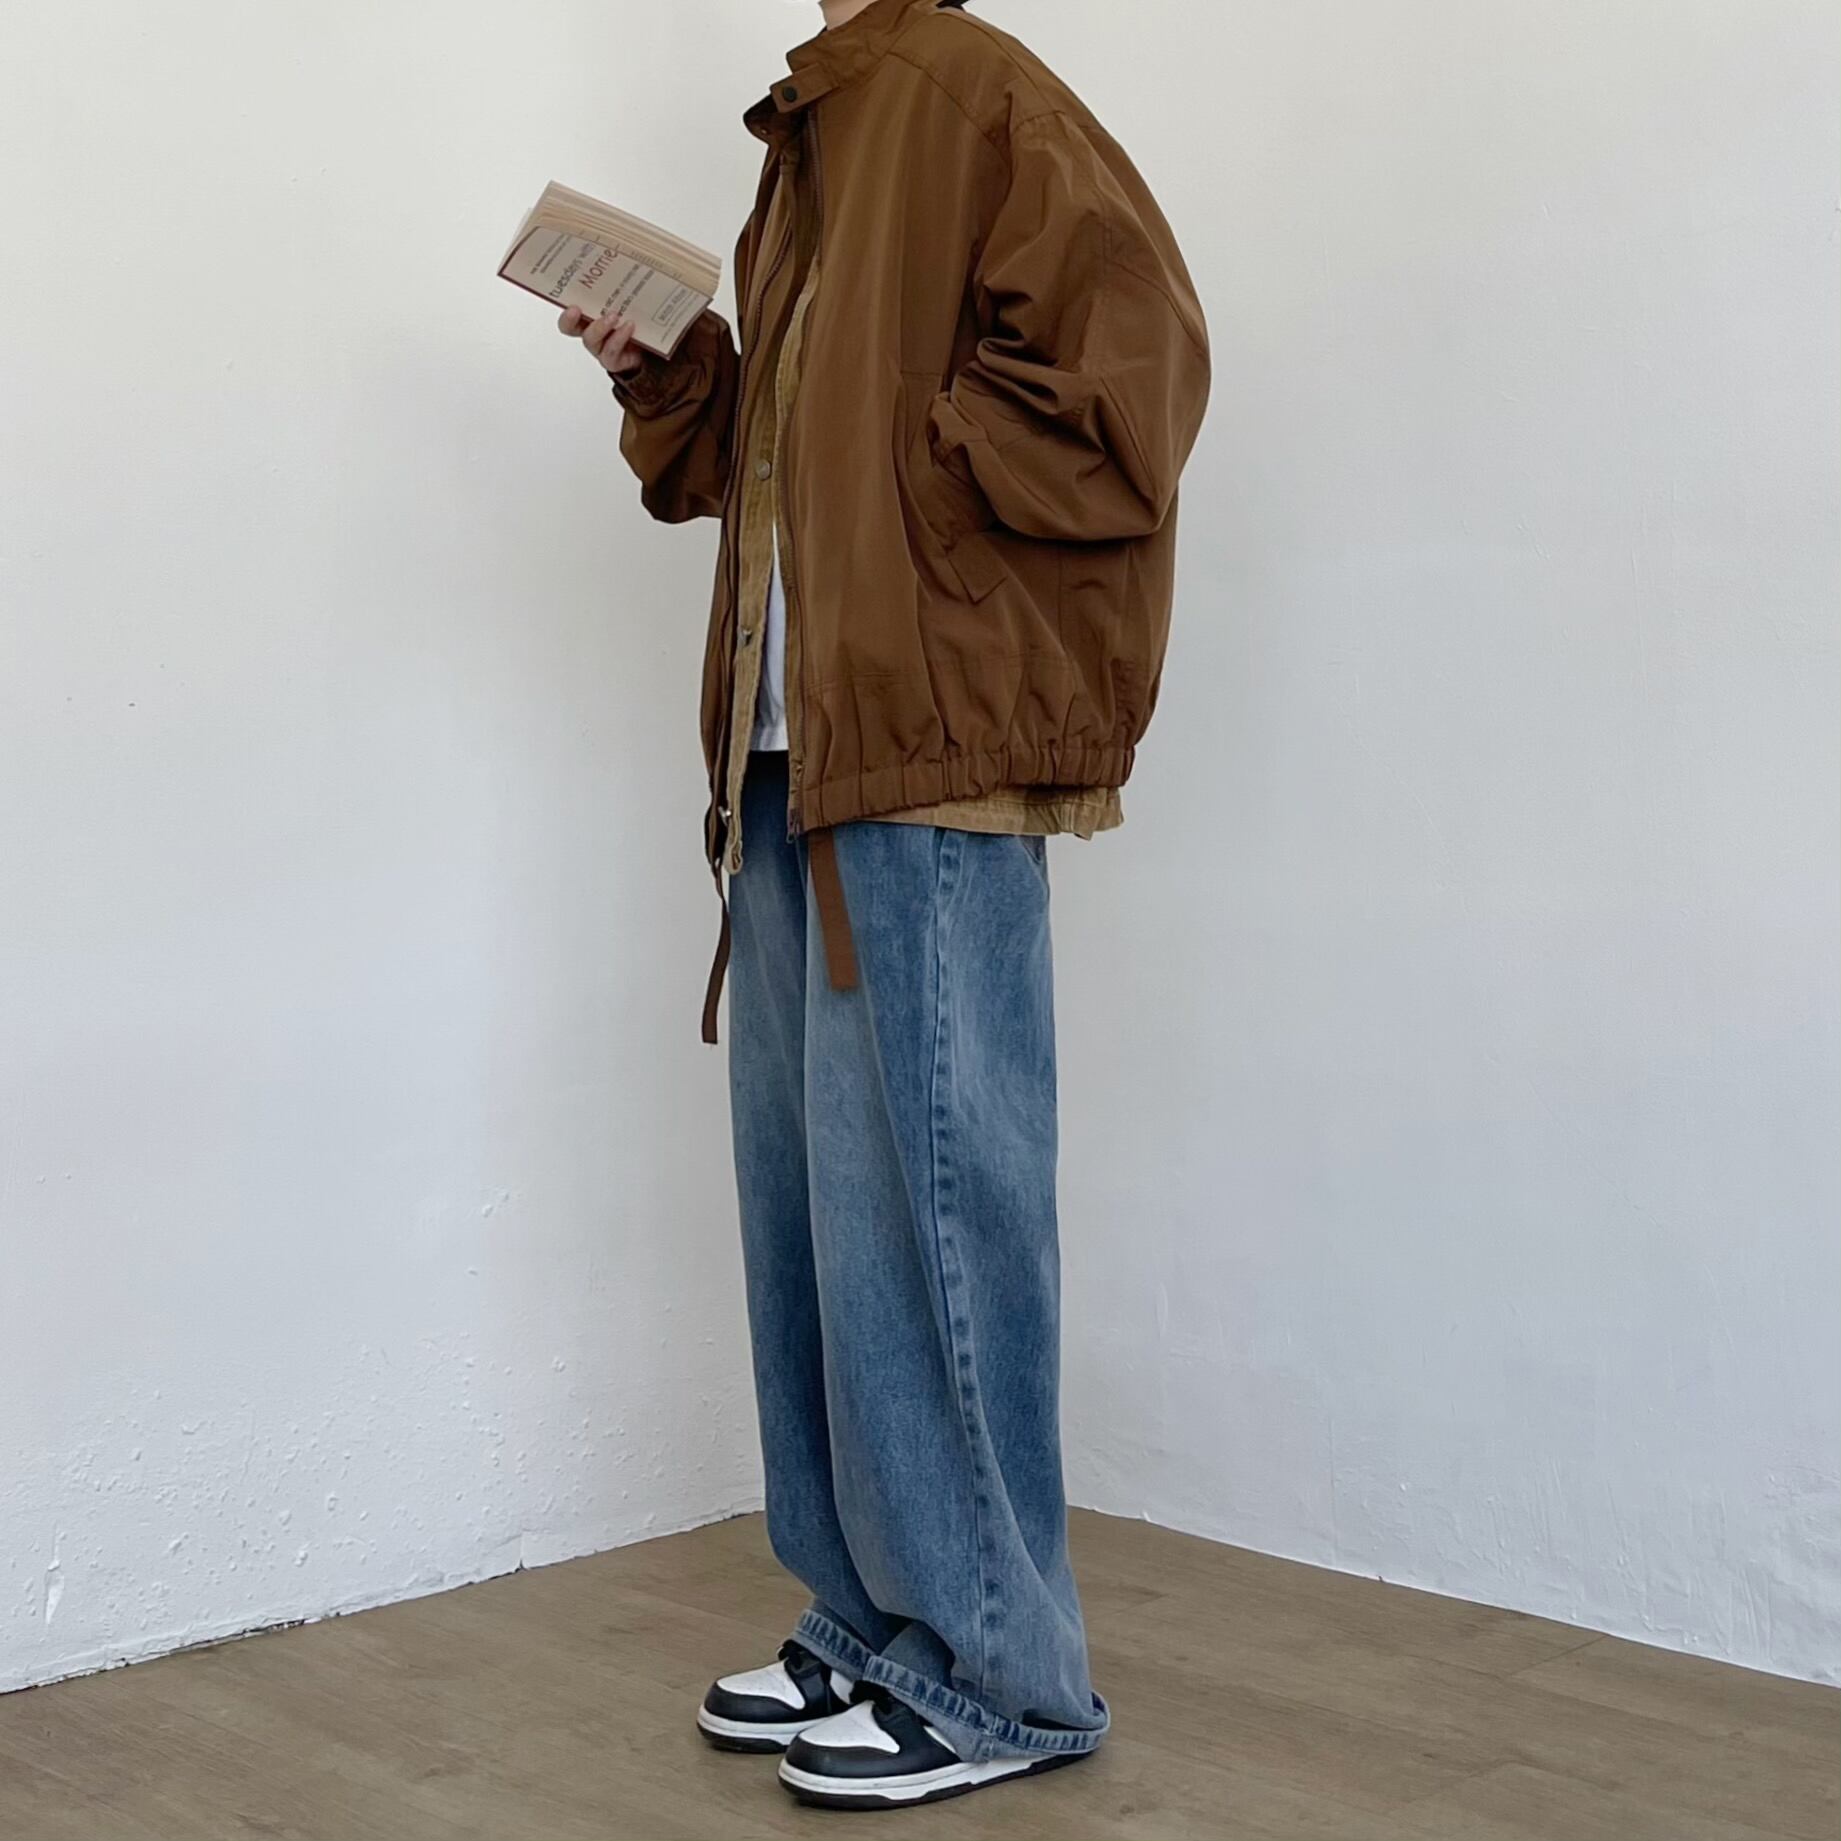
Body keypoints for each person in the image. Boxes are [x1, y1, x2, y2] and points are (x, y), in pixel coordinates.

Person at [560, 0, 1208, 1811]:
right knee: (821, 1225)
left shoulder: (971, 93)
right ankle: (868, 1615)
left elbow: (1134, 377)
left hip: (920, 750)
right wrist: (668, 366)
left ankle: (1000, 1667)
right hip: (791, 755)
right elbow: (755, 471)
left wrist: (913, 461)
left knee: (937, 1218)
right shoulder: (814, 142)